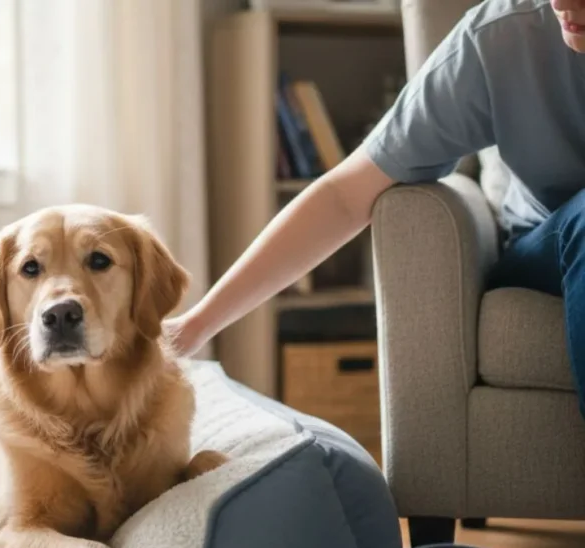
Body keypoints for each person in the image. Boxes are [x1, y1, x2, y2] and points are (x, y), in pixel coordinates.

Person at [164, 0, 585, 416]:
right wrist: (195, 326)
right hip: (552, 248)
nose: (562, 3)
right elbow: (345, 196)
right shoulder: (501, 37)